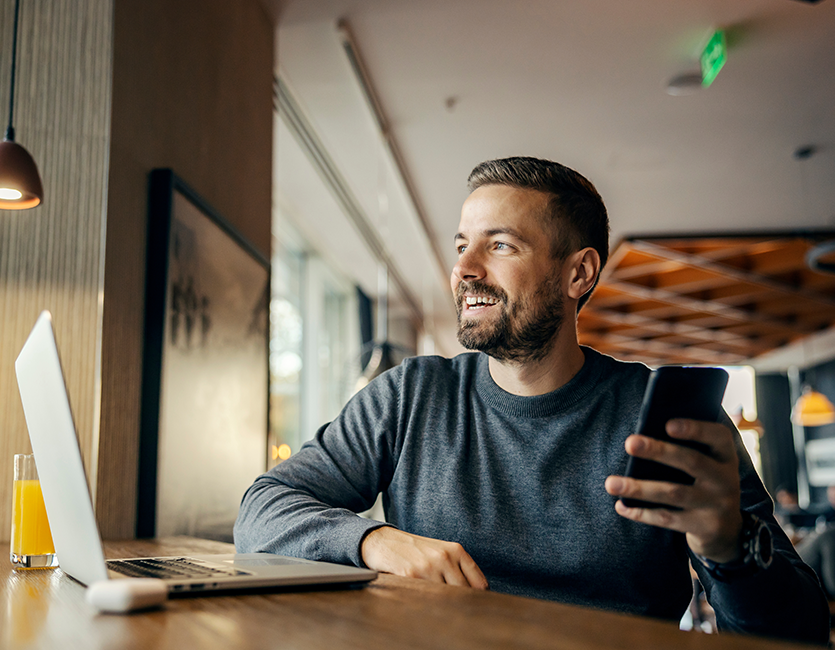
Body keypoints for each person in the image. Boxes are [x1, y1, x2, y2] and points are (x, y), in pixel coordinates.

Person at [234, 157, 829, 645]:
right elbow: (261, 511)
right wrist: (373, 541)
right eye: (463, 244)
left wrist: (728, 548)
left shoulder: (664, 419)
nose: (464, 268)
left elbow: (798, 632)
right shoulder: (410, 395)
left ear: (578, 274)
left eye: (501, 246)